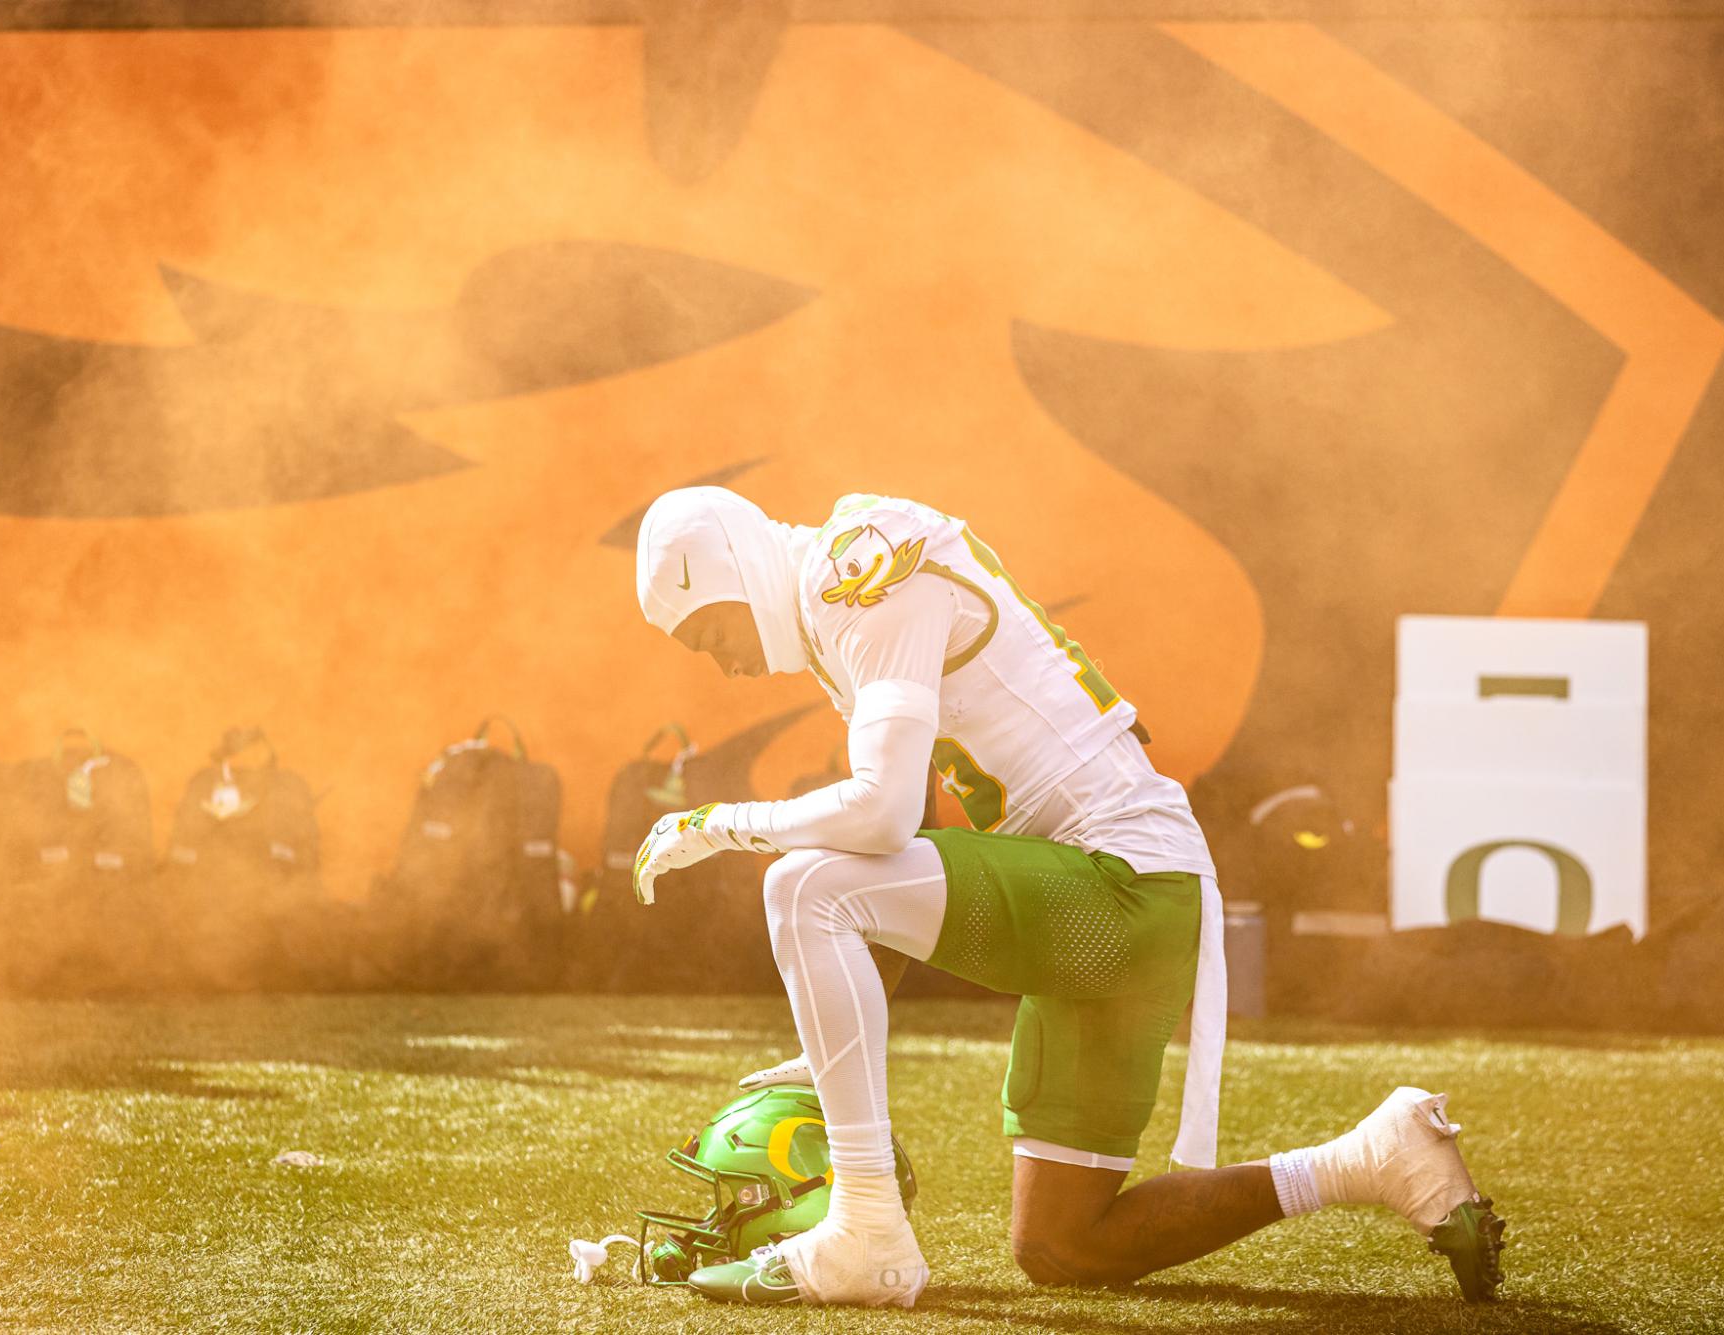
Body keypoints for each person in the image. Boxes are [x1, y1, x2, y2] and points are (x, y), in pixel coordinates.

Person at [630, 487, 1504, 1307]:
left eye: (709, 632)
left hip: (1118, 887)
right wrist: (834, 1037)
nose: (722, 664)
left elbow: (884, 815)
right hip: (1108, 900)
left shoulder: (852, 572)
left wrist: (717, 822)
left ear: (734, 567)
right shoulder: (834, 609)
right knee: (1064, 1247)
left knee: (802, 882)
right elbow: (911, 833)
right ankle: (1369, 1158)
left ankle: (864, 1230)